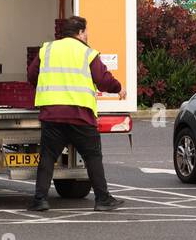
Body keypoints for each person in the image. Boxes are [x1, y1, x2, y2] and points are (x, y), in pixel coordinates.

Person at [26, 15, 123, 213]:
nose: (87, 35)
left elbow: (31, 75)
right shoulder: (87, 53)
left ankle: (40, 200)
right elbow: (103, 80)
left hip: (52, 114)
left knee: (47, 157)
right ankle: (103, 199)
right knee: (92, 157)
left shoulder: (48, 49)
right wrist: (119, 89)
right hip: (80, 115)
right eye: (86, 31)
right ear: (79, 32)